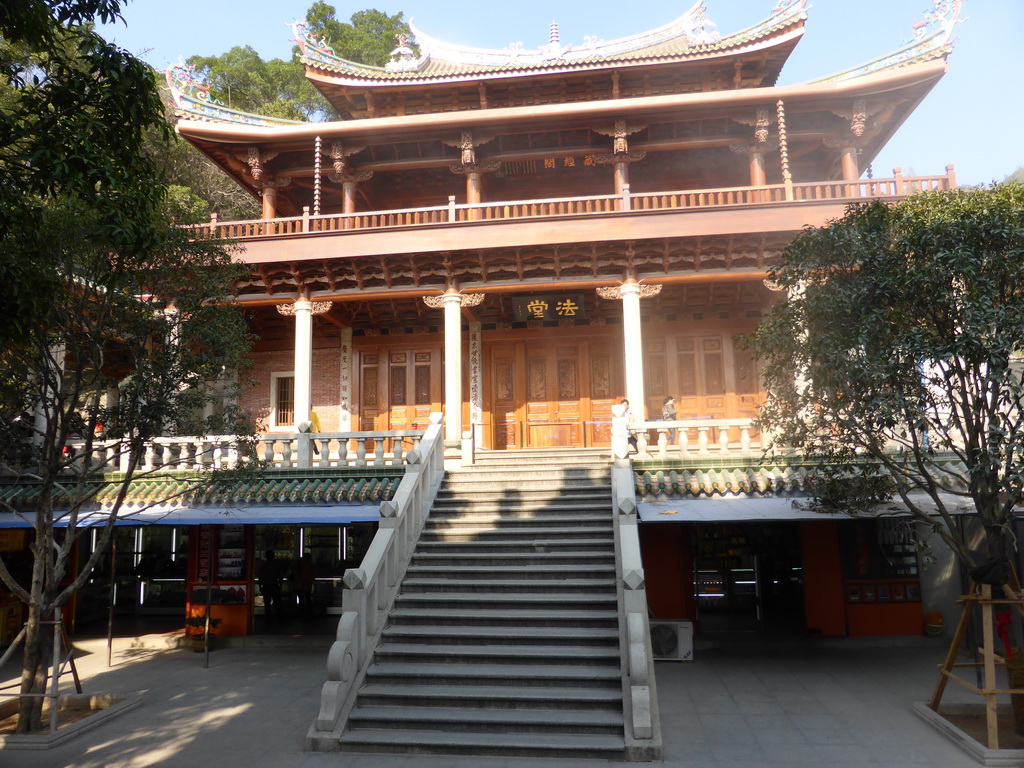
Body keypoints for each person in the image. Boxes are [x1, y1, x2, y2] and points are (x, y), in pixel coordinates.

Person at [258, 549, 284, 623]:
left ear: (266, 556)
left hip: (266, 586)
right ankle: (280, 617)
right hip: (274, 585)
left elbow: (261, 576)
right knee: (277, 602)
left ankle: (268, 618)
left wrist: (260, 586)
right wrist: (281, 584)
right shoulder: (277, 564)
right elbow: (280, 576)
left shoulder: (264, 565)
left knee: (267, 603)